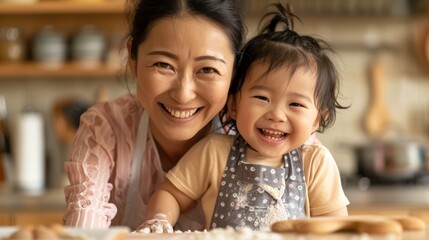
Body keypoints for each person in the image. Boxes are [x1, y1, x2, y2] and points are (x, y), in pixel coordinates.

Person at [138, 3, 350, 233]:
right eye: (262, 98)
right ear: (234, 104)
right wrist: (159, 220)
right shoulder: (212, 153)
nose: (276, 115)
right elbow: (170, 194)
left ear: (318, 120)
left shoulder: (315, 163)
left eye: (296, 104)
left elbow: (336, 229)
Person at [63, 0, 245, 230]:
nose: (183, 94)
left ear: (234, 71)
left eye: (207, 69)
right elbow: (85, 230)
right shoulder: (105, 127)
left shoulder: (256, 136)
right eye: (164, 64)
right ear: (132, 57)